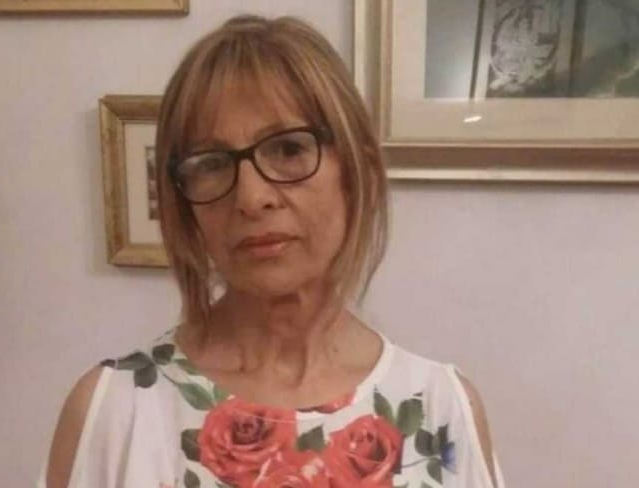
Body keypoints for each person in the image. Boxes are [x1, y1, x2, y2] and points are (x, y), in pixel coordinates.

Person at [41, 15, 504, 488]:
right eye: (211, 163)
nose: (251, 196)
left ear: (355, 172)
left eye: (287, 149)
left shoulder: (439, 412)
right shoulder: (116, 413)